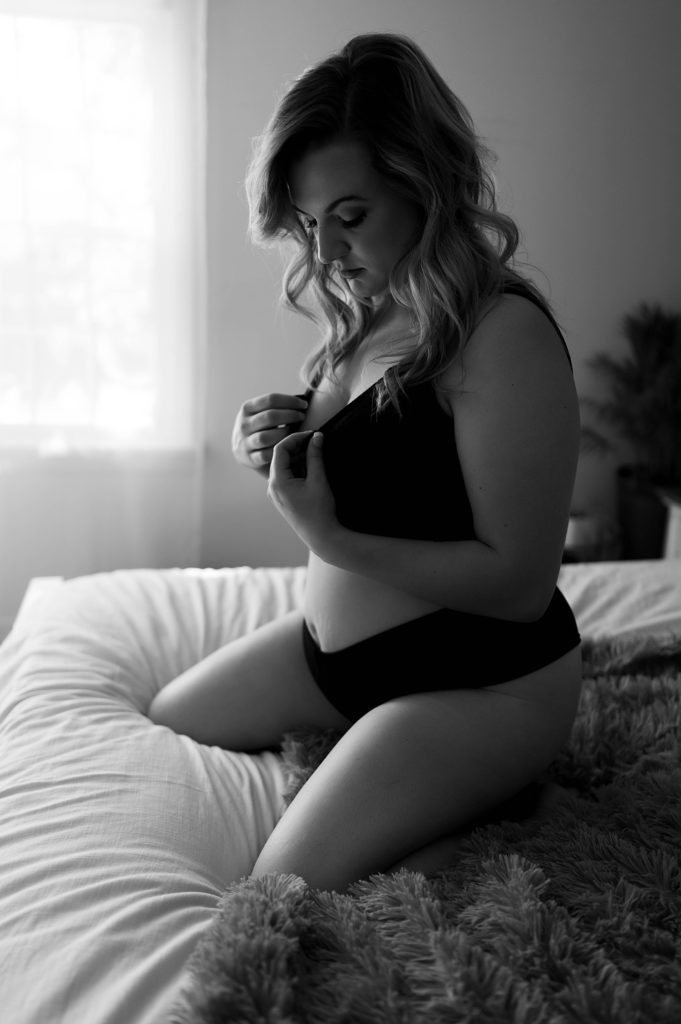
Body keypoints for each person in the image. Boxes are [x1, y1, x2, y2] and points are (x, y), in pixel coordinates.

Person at [149, 33, 582, 892]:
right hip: (336, 659)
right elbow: (388, 463)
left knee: (280, 885)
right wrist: (268, 439)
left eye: (351, 217)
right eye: (310, 224)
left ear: (426, 187)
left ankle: (506, 808)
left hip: (480, 685)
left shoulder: (504, 337)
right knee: (167, 717)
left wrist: (337, 544)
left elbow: (520, 583)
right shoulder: (371, 308)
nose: (325, 253)